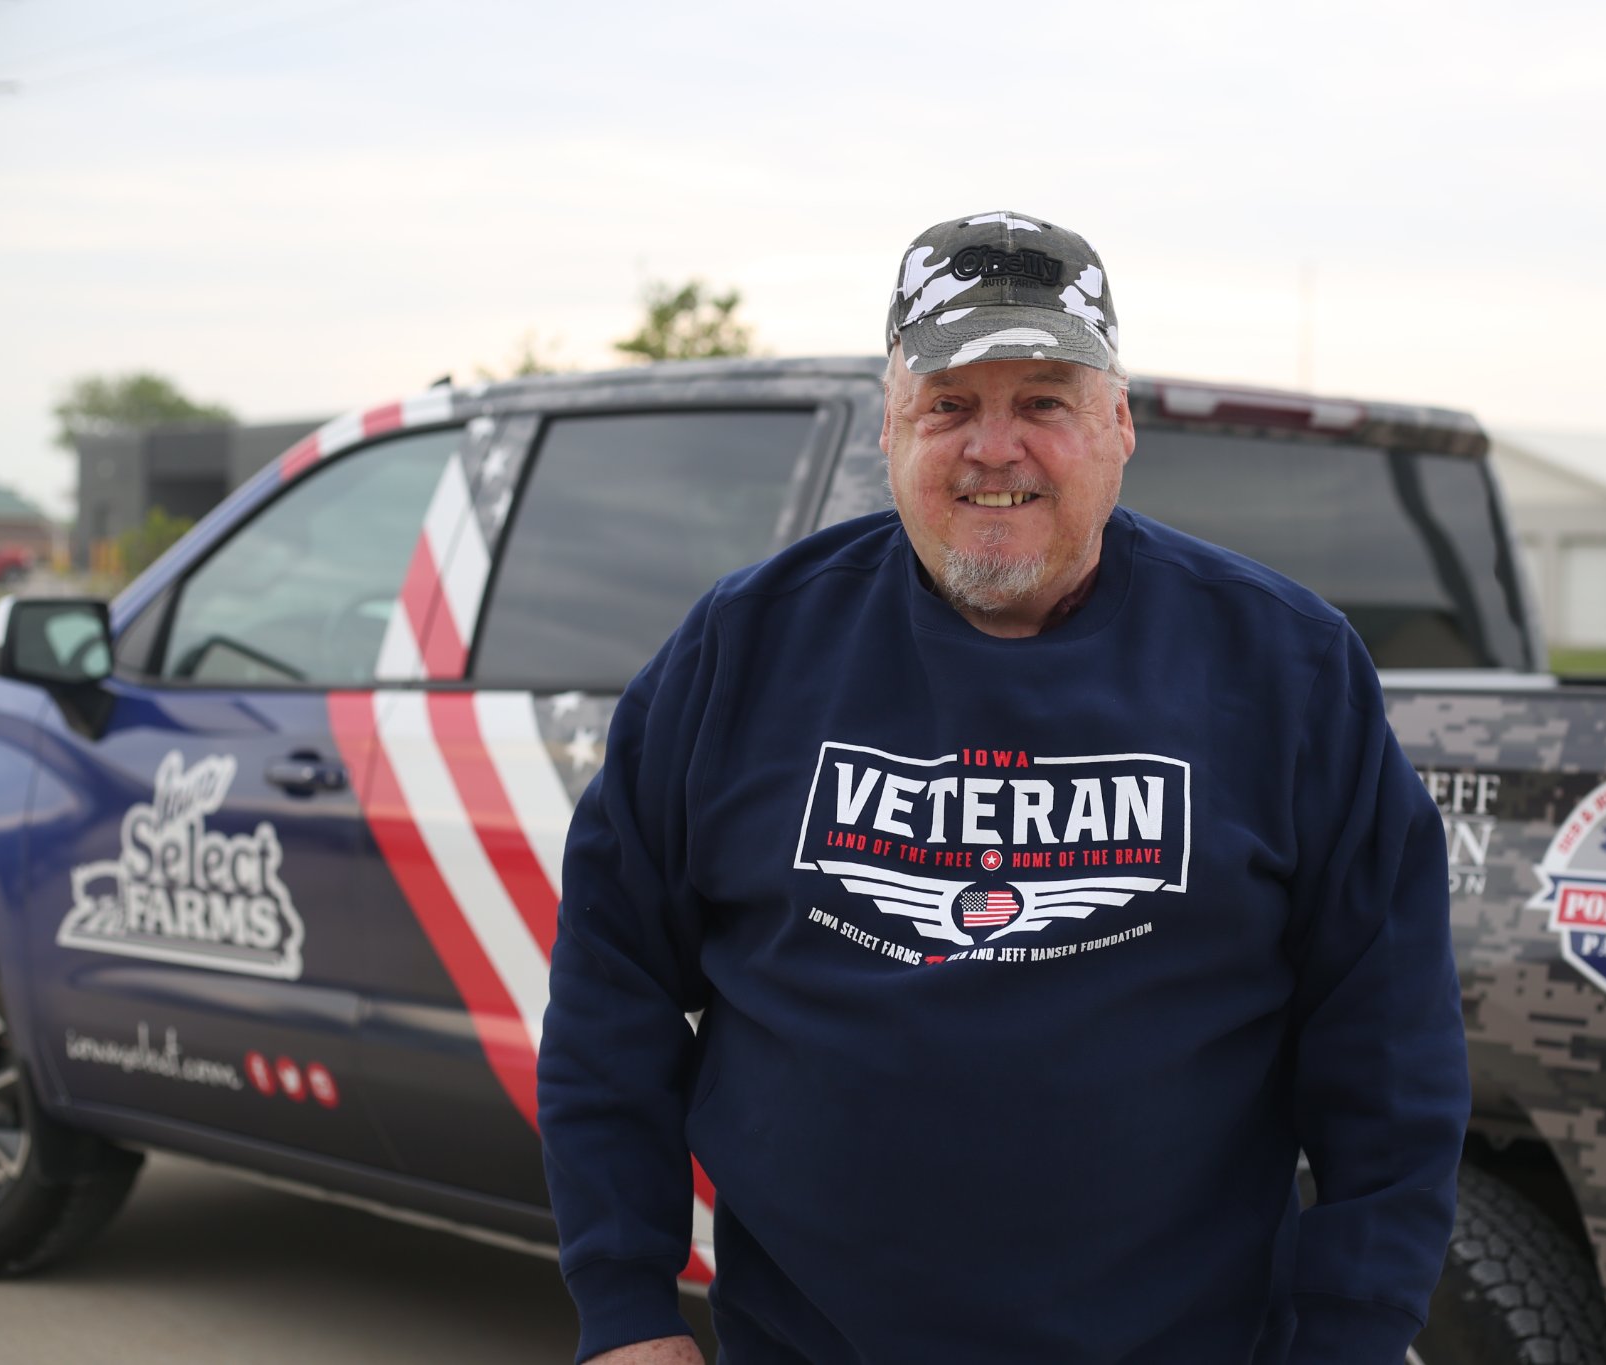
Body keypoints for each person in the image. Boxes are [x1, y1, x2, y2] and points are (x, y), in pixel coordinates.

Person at [538, 211, 1469, 1365]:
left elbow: (1388, 1047)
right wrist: (623, 1310)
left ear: (1117, 424)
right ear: (889, 427)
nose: (994, 446)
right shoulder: (745, 649)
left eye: (1042, 400)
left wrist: (1351, 1335)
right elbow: (610, 989)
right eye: (949, 404)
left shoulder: (1282, 665)